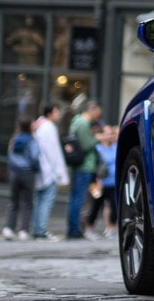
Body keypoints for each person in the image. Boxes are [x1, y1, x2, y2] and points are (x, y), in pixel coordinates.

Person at [65, 96, 102, 240]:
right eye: (97, 113)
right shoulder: (83, 124)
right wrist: (97, 138)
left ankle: (73, 228)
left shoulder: (77, 122)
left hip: (79, 166)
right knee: (78, 199)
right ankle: (74, 229)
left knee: (75, 198)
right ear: (91, 110)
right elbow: (86, 145)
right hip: (84, 166)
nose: (98, 117)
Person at [32, 101, 68, 240]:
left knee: (39, 200)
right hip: (48, 170)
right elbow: (53, 151)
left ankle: (37, 229)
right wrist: (59, 171)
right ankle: (41, 230)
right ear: (49, 114)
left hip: (41, 169)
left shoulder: (40, 125)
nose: (59, 114)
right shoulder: (48, 127)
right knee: (46, 200)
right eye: (56, 112)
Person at [2, 125, 39, 240]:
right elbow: (35, 157)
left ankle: (9, 228)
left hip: (14, 173)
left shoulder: (14, 140)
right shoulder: (32, 141)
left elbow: (9, 155)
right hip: (28, 173)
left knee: (14, 201)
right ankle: (24, 230)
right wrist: (36, 169)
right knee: (27, 203)